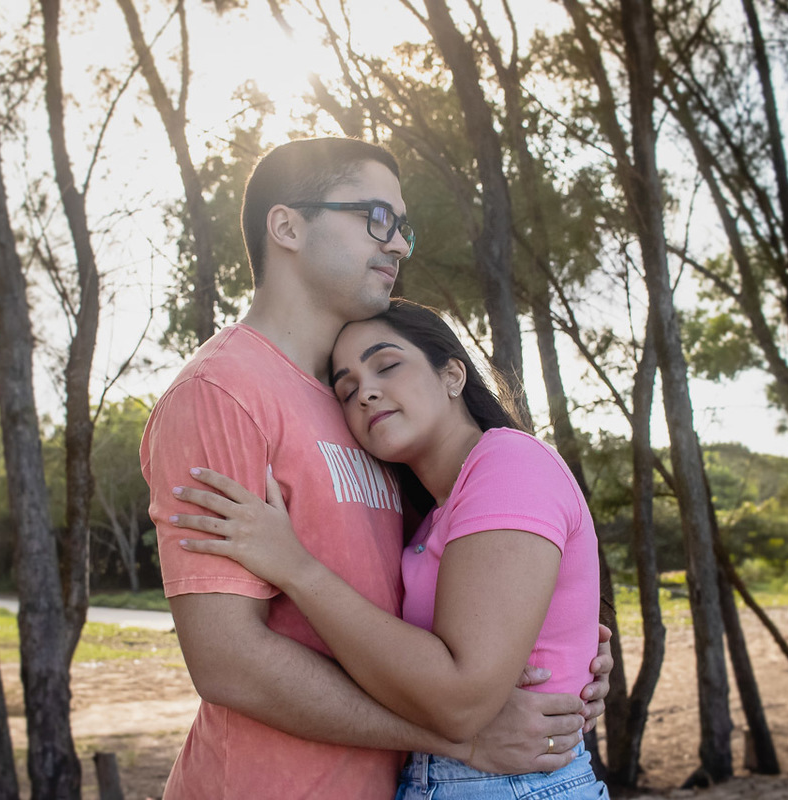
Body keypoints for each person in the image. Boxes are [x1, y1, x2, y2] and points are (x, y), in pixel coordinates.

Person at [140, 137, 611, 800]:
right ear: (288, 226)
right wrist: (458, 738)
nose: (399, 244)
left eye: (404, 227)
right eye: (375, 218)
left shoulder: (369, 414)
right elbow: (228, 664)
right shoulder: (222, 394)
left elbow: (445, 588)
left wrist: (558, 656)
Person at [173, 299, 608, 799]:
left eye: (387, 365)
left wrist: (295, 567)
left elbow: (461, 702)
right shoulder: (431, 516)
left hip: (508, 783)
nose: (366, 393)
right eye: (347, 389)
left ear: (452, 375)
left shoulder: (508, 463)